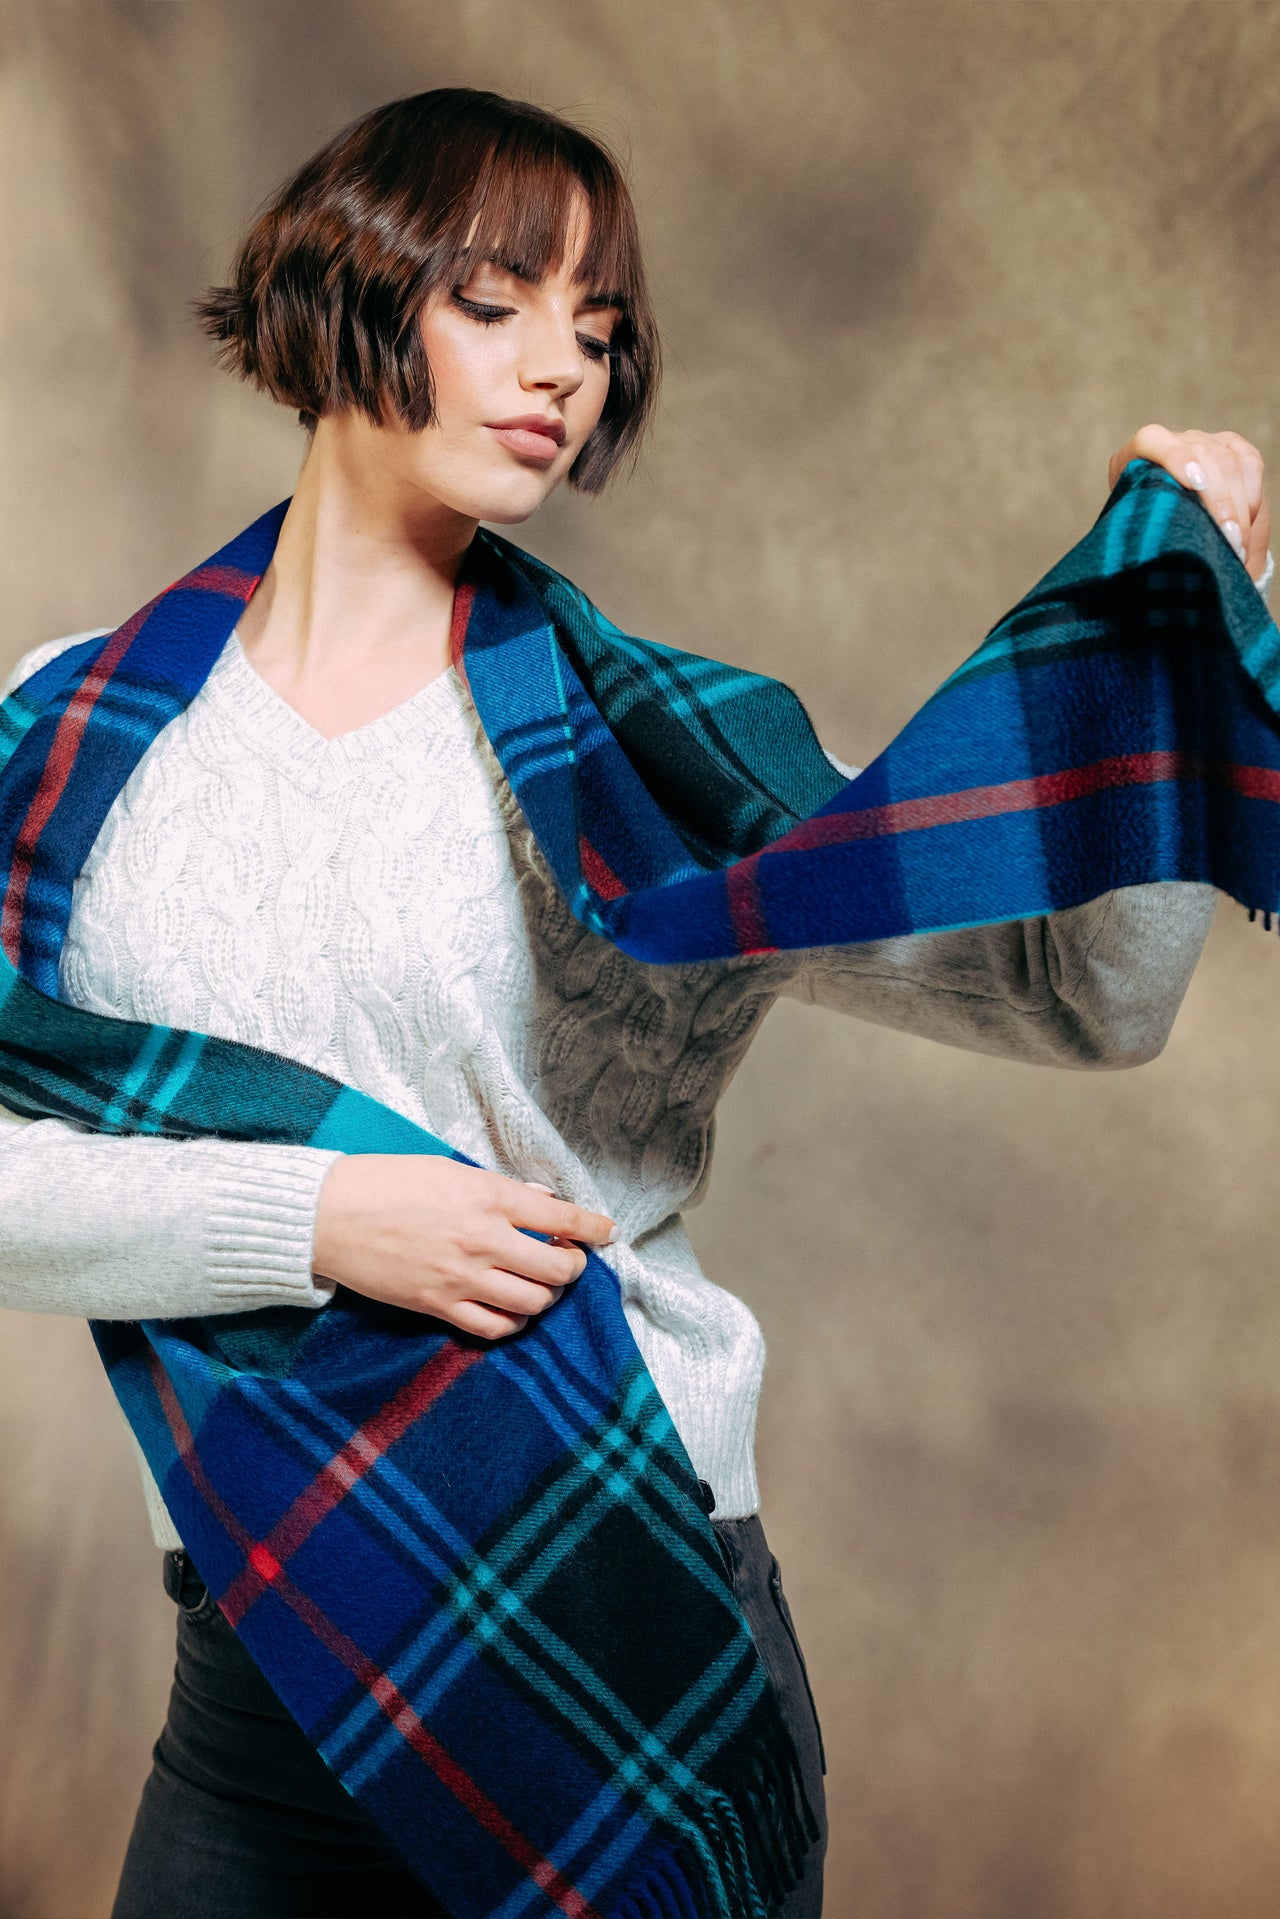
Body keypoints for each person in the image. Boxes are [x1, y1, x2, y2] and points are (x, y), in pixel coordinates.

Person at [1, 85, 1271, 1919]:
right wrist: (324, 1218)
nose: (563, 372)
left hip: (600, 1600)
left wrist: (1175, 651)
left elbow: (1083, 997)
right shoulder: (60, 740)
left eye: (601, 330)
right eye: (501, 300)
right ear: (351, 287)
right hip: (259, 1659)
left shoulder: (644, 753)